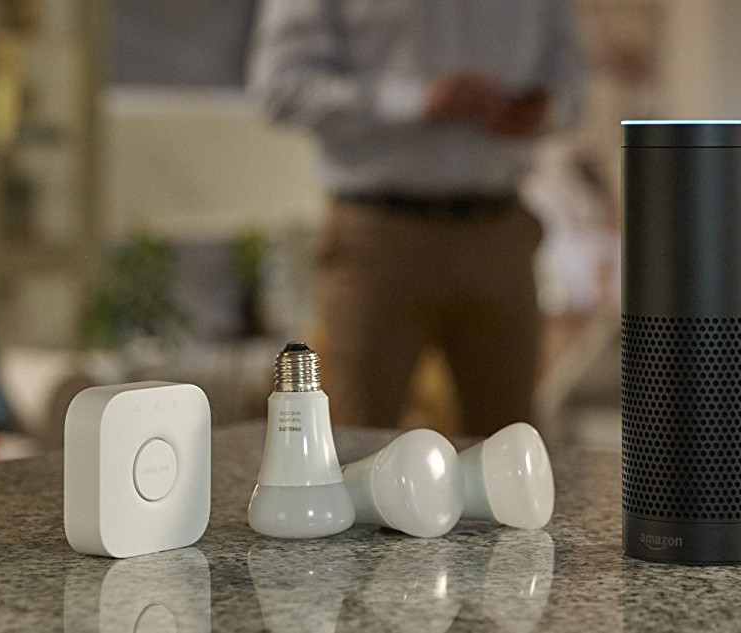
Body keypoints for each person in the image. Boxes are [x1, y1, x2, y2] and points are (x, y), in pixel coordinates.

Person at [248, 0, 585, 435]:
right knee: (356, 442)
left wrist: (546, 107)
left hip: (500, 232)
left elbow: (573, 80)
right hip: (380, 238)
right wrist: (414, 100)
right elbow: (280, 88)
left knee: (511, 451)